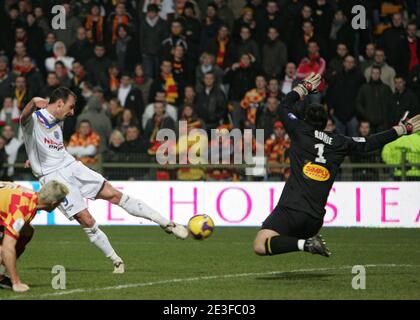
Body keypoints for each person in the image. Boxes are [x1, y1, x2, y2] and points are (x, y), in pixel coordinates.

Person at [20, 88, 189, 274]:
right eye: (70, 106)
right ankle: (116, 261)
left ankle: (167, 224)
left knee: (114, 194)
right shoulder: (34, 119)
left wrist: (34, 156)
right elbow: (23, 118)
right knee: (86, 218)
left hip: (70, 164)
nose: (72, 112)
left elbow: (46, 144)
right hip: (54, 177)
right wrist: (35, 100)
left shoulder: (60, 119)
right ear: (59, 103)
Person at [253, 73, 420, 257]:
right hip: (314, 220)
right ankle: (307, 241)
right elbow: (370, 142)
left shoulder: (300, 130)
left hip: (291, 208)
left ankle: (306, 245)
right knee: (285, 237)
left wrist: (304, 88)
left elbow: (283, 106)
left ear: (306, 120)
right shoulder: (340, 142)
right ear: (326, 124)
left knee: (261, 244)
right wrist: (401, 129)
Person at [0, 180, 69, 292]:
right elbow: (7, 247)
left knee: (27, 231)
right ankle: (12, 281)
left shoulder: (30, 197)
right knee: (6, 247)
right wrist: (16, 282)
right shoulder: (22, 209)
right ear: (54, 203)